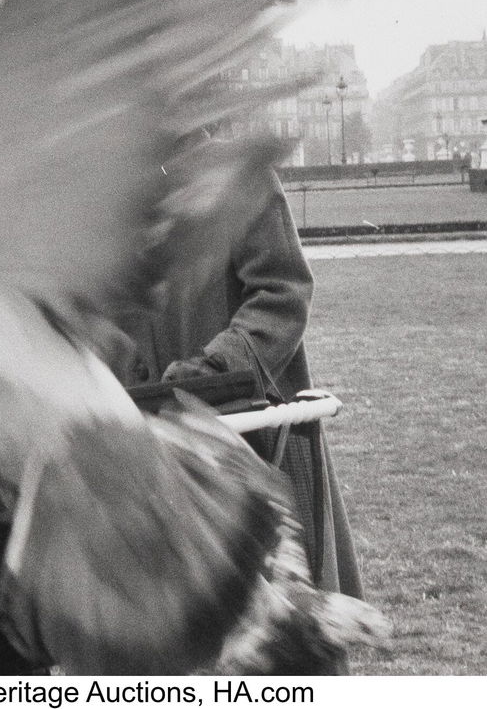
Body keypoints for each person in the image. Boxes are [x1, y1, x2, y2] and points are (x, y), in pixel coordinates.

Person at [116, 143, 366, 609]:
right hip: (148, 452)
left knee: (276, 629)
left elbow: (283, 292)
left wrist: (210, 373)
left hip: (249, 439)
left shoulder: (238, 175)